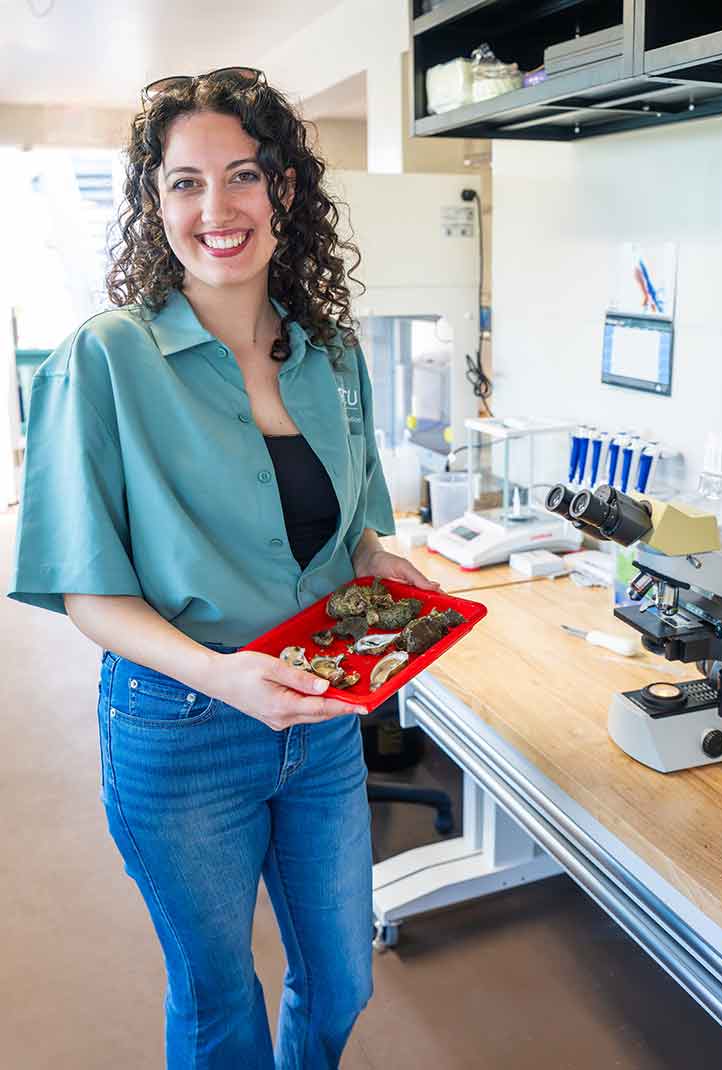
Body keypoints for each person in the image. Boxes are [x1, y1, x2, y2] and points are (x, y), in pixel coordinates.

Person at [8, 67, 437, 1070]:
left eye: (241, 175)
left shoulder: (329, 351)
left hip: (321, 716)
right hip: (182, 725)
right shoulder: (102, 360)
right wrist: (221, 673)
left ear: (283, 191)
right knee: (216, 1001)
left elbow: (353, 535)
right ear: (154, 205)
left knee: (339, 978)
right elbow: (89, 594)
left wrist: (387, 561)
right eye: (185, 183)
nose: (217, 209)